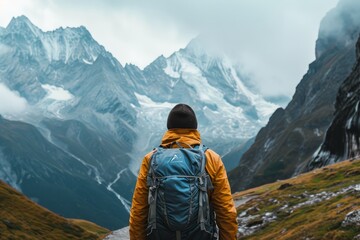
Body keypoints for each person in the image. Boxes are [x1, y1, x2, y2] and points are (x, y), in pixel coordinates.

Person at [129, 103, 238, 240]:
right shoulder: (211, 158)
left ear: (169, 128)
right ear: (194, 128)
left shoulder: (151, 159)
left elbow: (139, 211)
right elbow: (226, 211)